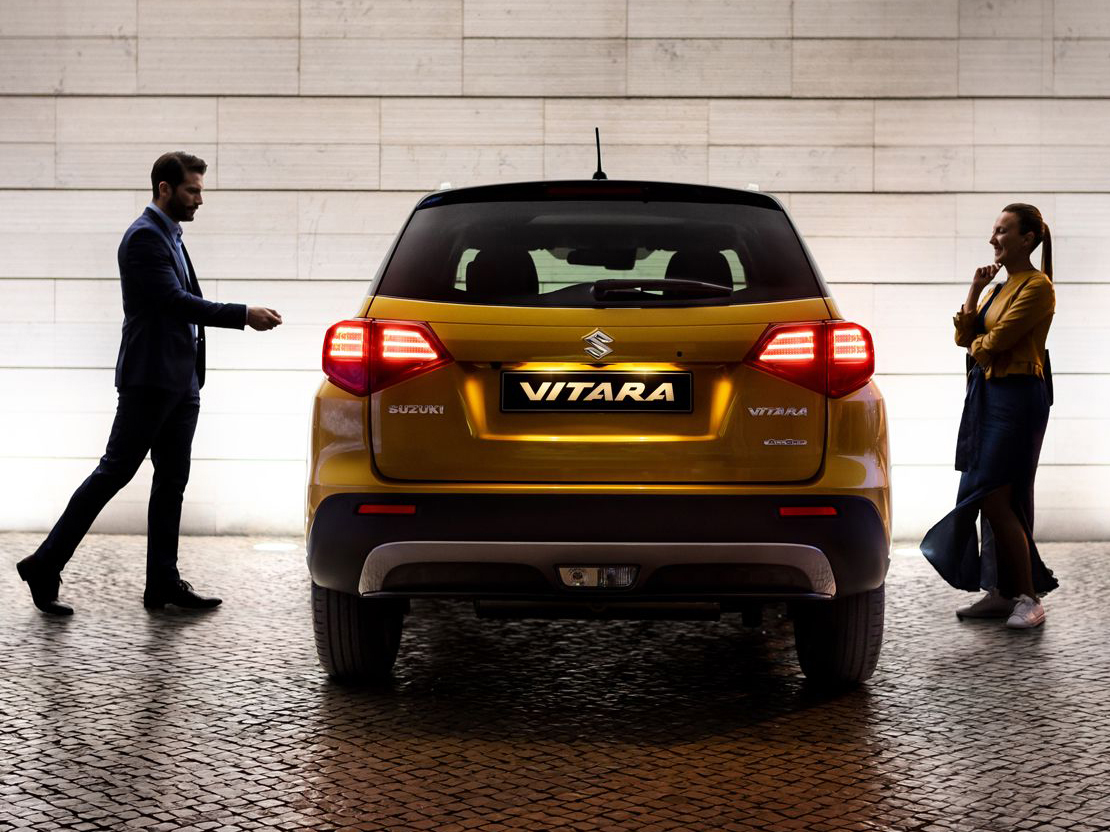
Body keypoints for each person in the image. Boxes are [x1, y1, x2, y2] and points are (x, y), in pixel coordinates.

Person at [16, 152, 283, 615]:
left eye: (200, 190)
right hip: (149, 381)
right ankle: (45, 564)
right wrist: (243, 314)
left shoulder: (170, 234)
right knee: (114, 473)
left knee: (171, 482)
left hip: (181, 383)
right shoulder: (143, 237)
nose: (199, 199)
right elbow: (174, 302)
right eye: (192, 190)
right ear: (164, 188)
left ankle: (162, 581)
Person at [920, 203, 1057, 629]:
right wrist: (975, 289)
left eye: (1002, 231)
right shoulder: (998, 287)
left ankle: (1029, 598)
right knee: (989, 495)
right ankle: (1002, 591)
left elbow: (993, 343)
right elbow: (964, 335)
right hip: (987, 395)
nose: (992, 238)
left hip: (1018, 397)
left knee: (996, 496)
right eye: (994, 230)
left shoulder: (1038, 287)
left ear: (1027, 239)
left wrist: (978, 345)